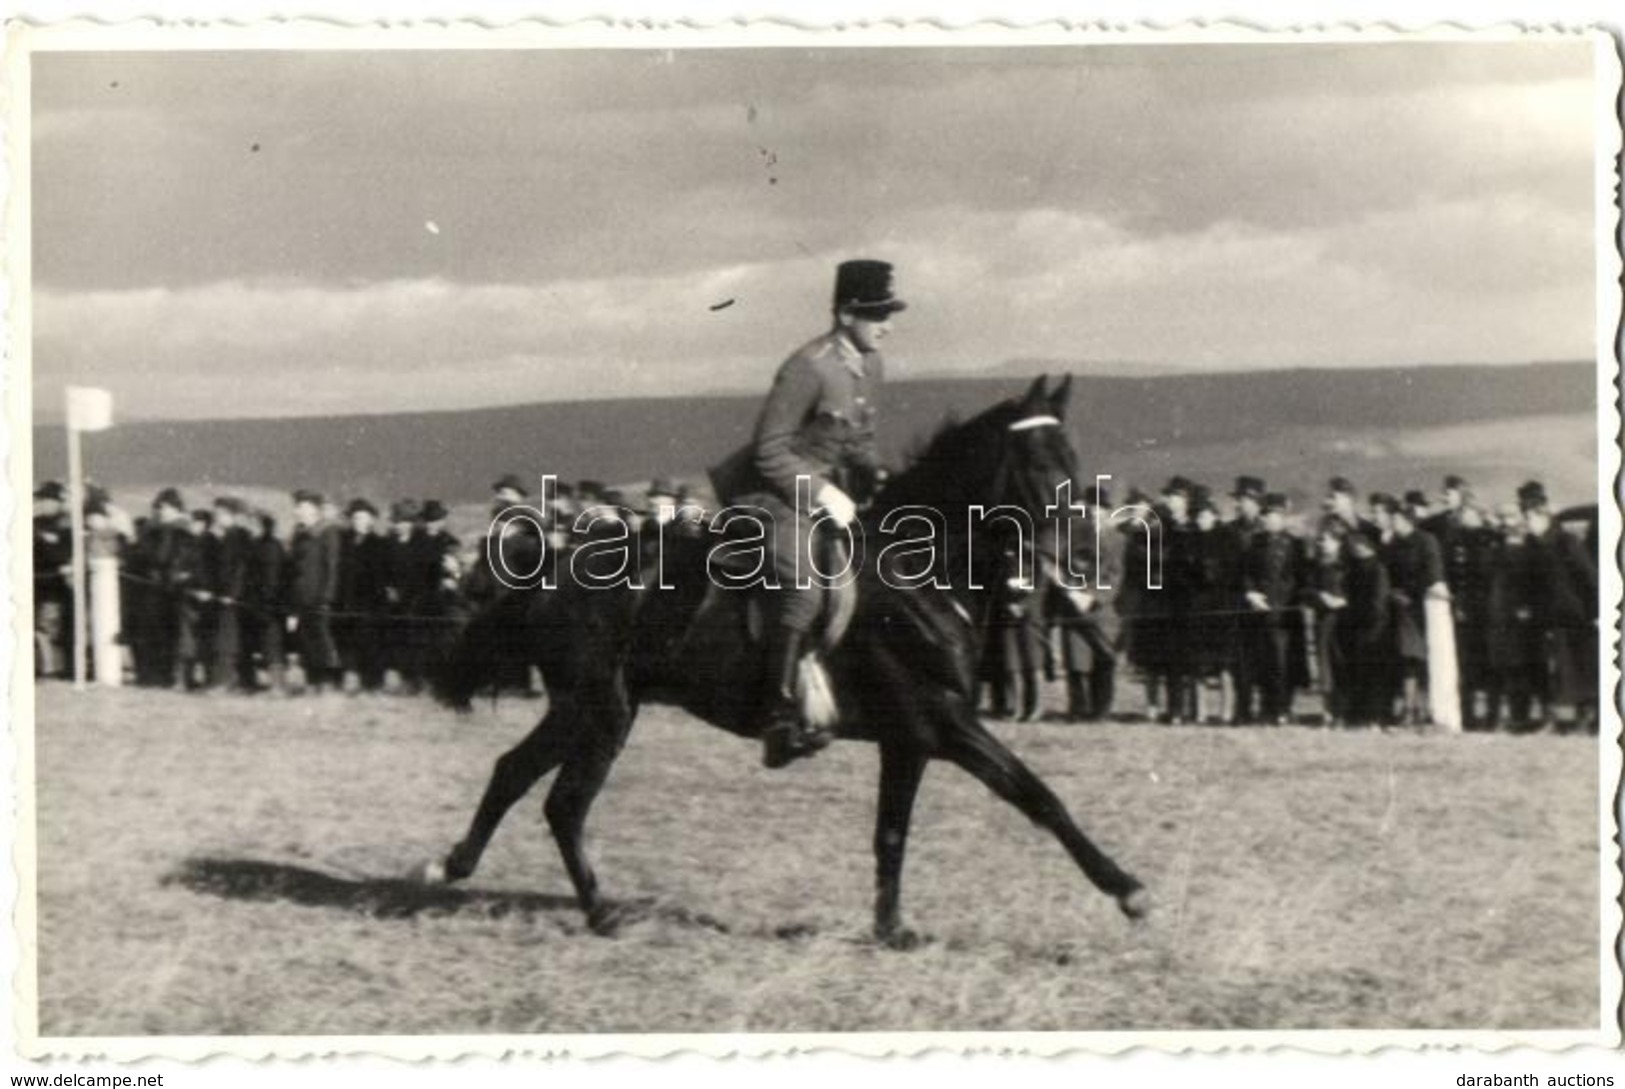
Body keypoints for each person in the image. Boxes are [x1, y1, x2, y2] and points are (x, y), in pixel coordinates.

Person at [708, 258, 903, 767]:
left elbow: (858, 438)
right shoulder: (808, 366)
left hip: (827, 496)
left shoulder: (869, 364)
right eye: (877, 313)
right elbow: (769, 450)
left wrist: (875, 474)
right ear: (845, 314)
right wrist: (820, 493)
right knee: (804, 588)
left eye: (889, 312)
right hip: (771, 495)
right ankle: (777, 714)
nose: (887, 323)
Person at [1520, 481, 1597, 733]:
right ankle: (1558, 718)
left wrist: (1597, 612)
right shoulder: (1532, 544)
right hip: (1546, 617)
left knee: (1578, 668)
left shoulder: (1566, 541)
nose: (1526, 523)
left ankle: (1587, 718)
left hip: (1574, 615)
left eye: (1528, 518)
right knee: (1555, 669)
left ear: (1540, 516)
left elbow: (1590, 578)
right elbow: (1530, 582)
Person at [1048, 482, 1123, 722]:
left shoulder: (1117, 539)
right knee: (1076, 662)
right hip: (1074, 606)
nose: (1094, 513)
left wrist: (1093, 597)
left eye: (1099, 509)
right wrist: (1072, 591)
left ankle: (1100, 710)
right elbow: (1065, 567)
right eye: (1091, 509)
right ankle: (1077, 708)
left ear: (1107, 511)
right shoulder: (1076, 536)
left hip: (1102, 609)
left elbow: (1116, 574)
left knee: (1103, 659)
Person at [1381, 499, 1447, 727]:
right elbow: (1387, 573)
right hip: (1401, 610)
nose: (1392, 522)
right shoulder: (1392, 545)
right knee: (1407, 659)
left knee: (1425, 660)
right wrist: (1393, 593)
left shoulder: (1426, 541)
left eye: (1396, 519)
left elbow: (1433, 573)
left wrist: (1412, 593)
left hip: (1424, 608)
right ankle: (1409, 708)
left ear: (1407, 520)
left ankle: (1429, 708)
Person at [1241, 492, 1301, 725]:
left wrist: (1282, 603)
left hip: (1284, 613)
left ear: (1283, 518)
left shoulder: (1294, 544)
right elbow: (1247, 573)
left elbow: (1297, 578)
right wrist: (1251, 593)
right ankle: (1267, 708)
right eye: (1265, 515)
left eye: (1274, 515)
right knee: (1263, 662)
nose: (1268, 520)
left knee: (1283, 663)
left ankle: (1283, 709)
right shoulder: (1255, 543)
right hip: (1259, 611)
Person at [287, 489, 342, 693]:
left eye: (300, 507)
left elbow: (332, 567)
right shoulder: (299, 534)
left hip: (319, 599)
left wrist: (327, 597)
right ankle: (312, 681)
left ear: (313, 509)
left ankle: (327, 683)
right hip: (301, 598)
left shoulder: (327, 532)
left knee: (322, 641)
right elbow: (294, 570)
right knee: (305, 641)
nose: (297, 511)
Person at [337, 498, 391, 693]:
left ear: (371, 520)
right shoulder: (344, 542)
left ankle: (373, 683)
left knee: (372, 643)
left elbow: (384, 575)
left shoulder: (379, 543)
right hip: (347, 601)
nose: (360, 521)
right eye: (356, 517)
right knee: (348, 641)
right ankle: (351, 678)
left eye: (364, 517)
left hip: (372, 603)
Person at [32, 482, 72, 677]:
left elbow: (62, 554)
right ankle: (45, 666)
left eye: (47, 500)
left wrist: (45, 542)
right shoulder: (34, 522)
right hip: (37, 582)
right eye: (42, 500)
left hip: (54, 586)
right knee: (37, 627)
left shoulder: (65, 524)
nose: (43, 504)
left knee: (47, 628)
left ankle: (51, 667)